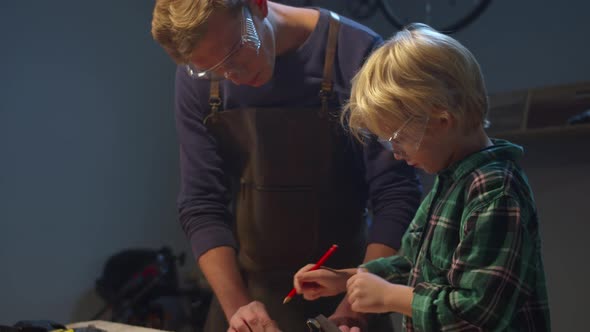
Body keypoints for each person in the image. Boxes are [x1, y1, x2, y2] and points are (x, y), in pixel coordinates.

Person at [150, 1, 422, 331]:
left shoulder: (356, 53)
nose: (232, 76)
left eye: (236, 52)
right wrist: (239, 312)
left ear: (258, 5)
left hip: (350, 287)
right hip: (247, 293)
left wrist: (355, 306)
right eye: (213, 70)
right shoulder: (199, 76)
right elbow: (201, 203)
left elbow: (396, 193)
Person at [294, 23, 551, 331]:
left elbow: (477, 313)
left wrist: (391, 297)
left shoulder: (495, 191)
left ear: (442, 121)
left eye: (397, 138)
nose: (394, 153)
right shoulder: (449, 181)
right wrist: (346, 279)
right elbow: (411, 267)